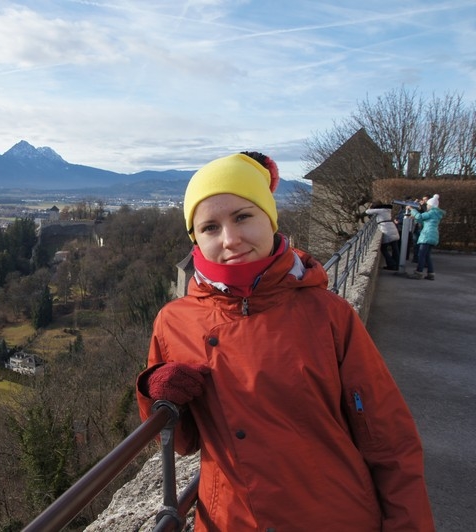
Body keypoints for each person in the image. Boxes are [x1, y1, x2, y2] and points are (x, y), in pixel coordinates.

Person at [136, 152, 434, 531]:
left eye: (243, 216)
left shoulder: (328, 314)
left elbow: (390, 441)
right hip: (232, 520)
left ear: (270, 219)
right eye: (210, 227)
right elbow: (183, 441)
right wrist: (153, 392)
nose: (231, 239)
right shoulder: (174, 322)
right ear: (196, 239)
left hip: (334, 516)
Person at [409, 193, 445, 280]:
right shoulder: (436, 213)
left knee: (421, 255)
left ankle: (419, 272)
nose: (427, 206)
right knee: (427, 255)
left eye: (428, 205)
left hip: (427, 235)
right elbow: (424, 221)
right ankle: (431, 273)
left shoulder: (431, 212)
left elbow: (420, 216)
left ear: (432, 205)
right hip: (433, 236)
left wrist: (412, 209)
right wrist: (415, 218)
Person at [366, 201, 400, 270]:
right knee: (395, 249)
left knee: (383, 248)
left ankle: (392, 264)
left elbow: (367, 212)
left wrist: (370, 207)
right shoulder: (386, 210)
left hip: (386, 229)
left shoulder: (380, 210)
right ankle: (397, 265)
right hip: (392, 228)